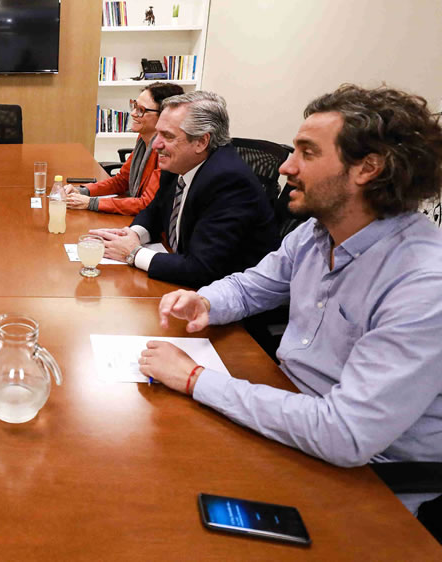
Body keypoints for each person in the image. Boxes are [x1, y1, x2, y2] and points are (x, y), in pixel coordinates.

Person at [144, 85, 442, 531]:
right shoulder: (316, 233)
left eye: (306, 152)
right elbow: (251, 287)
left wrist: (193, 378)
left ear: (368, 168)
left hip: (368, 480)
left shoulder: (422, 283)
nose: (286, 166)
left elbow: (345, 434)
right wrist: (206, 300)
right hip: (288, 417)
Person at [90, 91, 278, 288]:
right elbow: (156, 210)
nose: (156, 144)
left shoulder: (228, 182)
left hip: (227, 298)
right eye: (157, 133)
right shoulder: (178, 163)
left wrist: (132, 253)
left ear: (202, 141)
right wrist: (134, 235)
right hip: (183, 275)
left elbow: (202, 268)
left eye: (167, 136)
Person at [65, 82, 185, 215]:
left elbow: (146, 203)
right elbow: (121, 181)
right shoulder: (142, 139)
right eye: (134, 106)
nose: (133, 113)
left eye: (141, 110)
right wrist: (83, 191)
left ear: (164, 115)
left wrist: (91, 202)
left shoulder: (165, 151)